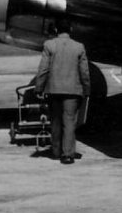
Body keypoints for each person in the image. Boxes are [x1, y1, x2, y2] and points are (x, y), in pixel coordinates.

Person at [35, 16, 92, 164]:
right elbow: (84, 71)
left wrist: (39, 87)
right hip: (73, 91)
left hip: (53, 90)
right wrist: (86, 89)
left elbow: (43, 69)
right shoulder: (79, 47)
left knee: (55, 121)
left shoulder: (49, 45)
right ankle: (67, 154)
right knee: (69, 122)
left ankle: (55, 150)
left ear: (55, 29)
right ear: (71, 29)